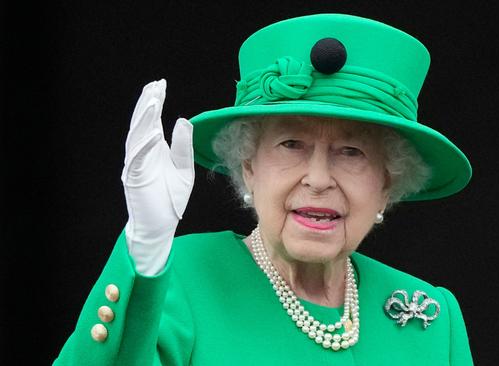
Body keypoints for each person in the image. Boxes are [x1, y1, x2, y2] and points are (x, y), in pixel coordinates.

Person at [54, 13, 474, 365]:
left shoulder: (431, 317)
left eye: (351, 152)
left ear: (387, 183)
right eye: (291, 144)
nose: (318, 178)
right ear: (249, 167)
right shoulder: (178, 279)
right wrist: (144, 250)